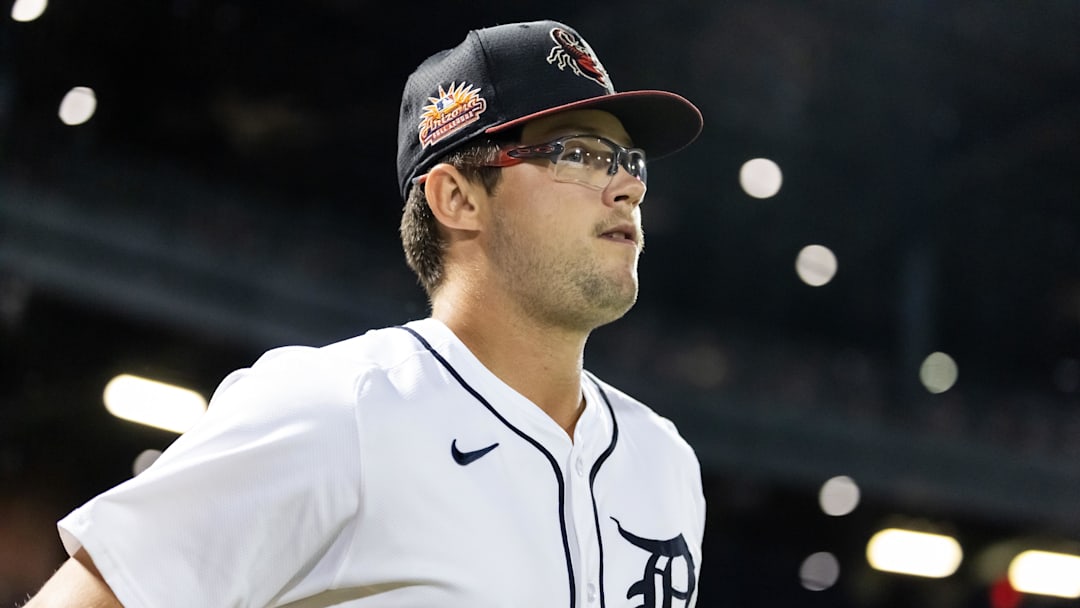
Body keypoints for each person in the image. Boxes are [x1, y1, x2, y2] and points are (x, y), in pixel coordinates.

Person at [25, 19, 706, 608]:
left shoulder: (665, 461)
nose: (627, 187)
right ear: (458, 198)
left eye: (629, 160)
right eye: (580, 154)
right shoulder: (335, 408)